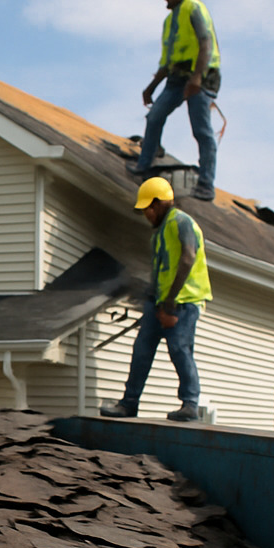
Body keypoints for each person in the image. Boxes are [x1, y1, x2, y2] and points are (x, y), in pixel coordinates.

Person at [101, 177, 211, 421]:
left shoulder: (182, 222)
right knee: (142, 348)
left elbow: (187, 259)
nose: (147, 215)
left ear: (160, 203)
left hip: (183, 301)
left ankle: (190, 404)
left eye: (149, 209)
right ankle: (129, 403)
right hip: (161, 301)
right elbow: (161, 271)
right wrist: (153, 299)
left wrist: (170, 301)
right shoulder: (158, 234)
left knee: (180, 349)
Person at [127, 0, 221, 202]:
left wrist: (197, 78)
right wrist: (151, 87)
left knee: (201, 130)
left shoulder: (194, 8)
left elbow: (205, 43)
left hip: (200, 74)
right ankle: (144, 167)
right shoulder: (169, 20)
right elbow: (167, 61)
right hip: (177, 78)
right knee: (155, 116)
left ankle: (206, 185)